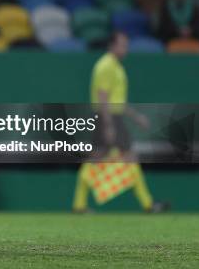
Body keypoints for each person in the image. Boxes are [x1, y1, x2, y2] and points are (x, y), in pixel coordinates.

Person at [72, 32, 168, 213]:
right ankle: (147, 204)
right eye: (122, 45)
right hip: (107, 117)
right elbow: (103, 97)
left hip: (111, 117)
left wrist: (136, 117)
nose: (126, 49)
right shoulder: (106, 66)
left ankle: (79, 204)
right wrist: (108, 125)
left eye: (126, 45)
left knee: (99, 159)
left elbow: (117, 100)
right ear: (112, 45)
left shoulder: (116, 66)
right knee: (124, 157)